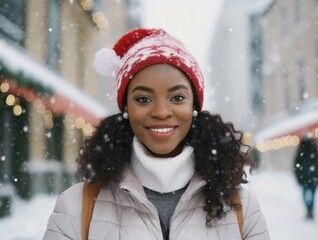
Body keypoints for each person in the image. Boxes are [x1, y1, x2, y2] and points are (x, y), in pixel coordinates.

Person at [43, 28, 269, 240]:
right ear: (126, 108)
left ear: (194, 105)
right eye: (143, 99)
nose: (161, 112)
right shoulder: (76, 207)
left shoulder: (242, 207)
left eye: (177, 97)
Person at [294, 133, 318, 219]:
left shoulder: (301, 151)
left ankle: (309, 208)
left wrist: (299, 177)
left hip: (306, 178)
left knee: (305, 194)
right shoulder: (315, 150)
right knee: (312, 194)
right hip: (314, 177)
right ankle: (310, 209)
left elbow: (296, 165)